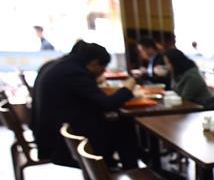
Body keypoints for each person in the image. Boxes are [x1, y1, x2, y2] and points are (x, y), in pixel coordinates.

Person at [32, 41, 140, 169]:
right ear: (94, 63)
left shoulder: (61, 66)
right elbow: (108, 104)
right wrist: (128, 87)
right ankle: (130, 170)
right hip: (61, 141)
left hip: (53, 130)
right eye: (103, 67)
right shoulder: (73, 72)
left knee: (118, 122)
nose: (103, 71)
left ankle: (116, 166)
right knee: (123, 125)